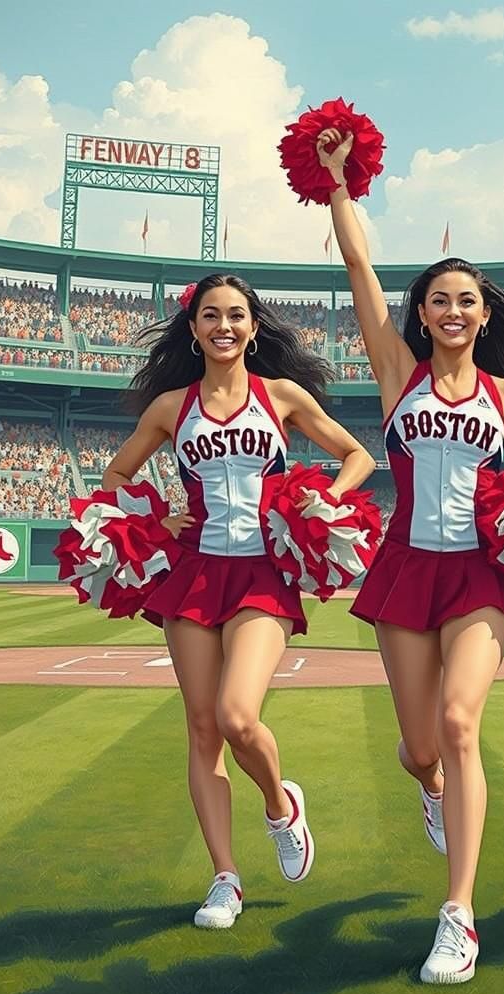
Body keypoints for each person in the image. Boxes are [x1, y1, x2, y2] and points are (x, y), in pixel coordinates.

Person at [320, 128, 504, 983]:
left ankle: (459, 916)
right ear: (424, 313)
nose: (453, 311)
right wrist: (338, 184)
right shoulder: (396, 370)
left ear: (483, 313)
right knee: (419, 744)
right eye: (439, 299)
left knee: (462, 722)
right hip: (405, 565)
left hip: (480, 571)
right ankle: (427, 785)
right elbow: (361, 271)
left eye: (467, 300)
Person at [102, 273, 375, 929]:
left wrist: (321, 502)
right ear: (193, 330)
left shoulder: (280, 395)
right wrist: (154, 515)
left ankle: (281, 806)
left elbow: (357, 455)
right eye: (210, 316)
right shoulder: (172, 407)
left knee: (235, 715)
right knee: (201, 729)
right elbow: (117, 472)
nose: (223, 326)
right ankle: (225, 878)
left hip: (262, 570)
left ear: (253, 328)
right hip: (195, 572)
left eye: (236, 316)